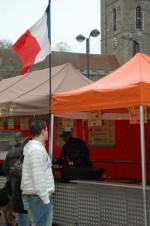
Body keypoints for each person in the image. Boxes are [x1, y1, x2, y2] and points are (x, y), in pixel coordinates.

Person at [21, 119, 55, 226]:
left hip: (36, 198)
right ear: (43, 131)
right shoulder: (37, 151)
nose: (47, 132)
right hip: (39, 199)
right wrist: (46, 201)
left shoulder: (34, 148)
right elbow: (38, 178)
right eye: (47, 129)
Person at [3, 131, 31, 226]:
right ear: (23, 138)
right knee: (25, 213)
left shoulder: (9, 153)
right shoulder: (25, 152)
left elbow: (5, 168)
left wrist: (10, 177)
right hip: (26, 187)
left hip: (14, 186)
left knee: (17, 210)